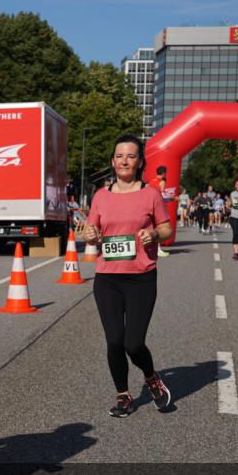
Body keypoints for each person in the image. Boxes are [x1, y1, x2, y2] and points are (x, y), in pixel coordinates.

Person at [81, 135, 173, 418]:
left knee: (133, 342)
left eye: (130, 156)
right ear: (113, 161)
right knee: (114, 341)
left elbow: (167, 229)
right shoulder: (101, 196)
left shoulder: (150, 194)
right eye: (119, 155)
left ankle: (151, 376)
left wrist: (154, 234)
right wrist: (89, 234)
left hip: (141, 277)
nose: (124, 160)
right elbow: (89, 232)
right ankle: (123, 395)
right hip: (108, 278)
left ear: (139, 162)